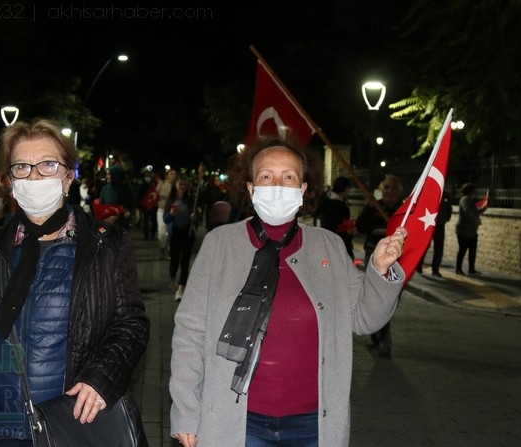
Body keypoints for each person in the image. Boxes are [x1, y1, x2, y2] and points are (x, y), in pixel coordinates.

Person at [0, 119, 149, 446]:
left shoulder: (104, 245)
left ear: (69, 177)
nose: (35, 175)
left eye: (48, 165)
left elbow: (131, 324)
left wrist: (103, 378)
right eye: (22, 167)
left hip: (65, 426)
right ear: (11, 180)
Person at [169, 136, 407, 447]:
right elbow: (190, 332)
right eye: (266, 177)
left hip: (313, 425)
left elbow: (364, 319)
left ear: (303, 189)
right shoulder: (220, 245)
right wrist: (187, 412)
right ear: (252, 188)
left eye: (289, 177)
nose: (278, 185)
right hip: (236, 422)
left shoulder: (329, 246)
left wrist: (380, 270)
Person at [356, 174, 404, 359]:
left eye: (393, 188)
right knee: (375, 296)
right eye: (386, 188)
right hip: (373, 258)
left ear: (400, 191)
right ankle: (380, 338)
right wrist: (369, 208)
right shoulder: (375, 206)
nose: (389, 191)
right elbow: (361, 226)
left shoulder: (404, 210)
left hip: (397, 261)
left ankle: (381, 336)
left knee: (387, 301)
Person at [163, 175, 198, 301]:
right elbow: (165, 220)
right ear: (176, 185)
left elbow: (196, 217)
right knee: (175, 261)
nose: (182, 186)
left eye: (184, 184)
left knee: (185, 261)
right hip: (175, 233)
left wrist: (194, 217)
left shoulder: (190, 200)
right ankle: (173, 276)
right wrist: (171, 214)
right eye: (180, 184)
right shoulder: (171, 199)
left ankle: (181, 288)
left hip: (187, 233)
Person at [416, 190, 453, 277]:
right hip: (428, 224)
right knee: (424, 246)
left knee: (439, 248)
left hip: (439, 224)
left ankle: (435, 269)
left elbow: (449, 208)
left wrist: (445, 219)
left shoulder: (445, 194)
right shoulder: (430, 190)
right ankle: (419, 265)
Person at [319, 176, 356, 259]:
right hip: (339, 241)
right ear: (346, 188)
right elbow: (334, 224)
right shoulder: (337, 204)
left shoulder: (327, 200)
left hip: (330, 241)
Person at [455, 183, 486, 276]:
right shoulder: (465, 200)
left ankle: (471, 269)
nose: (475, 194)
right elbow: (469, 212)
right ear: (471, 192)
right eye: (474, 192)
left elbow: (472, 211)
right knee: (463, 250)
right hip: (464, 231)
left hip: (470, 231)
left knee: (472, 251)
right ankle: (458, 269)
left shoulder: (468, 200)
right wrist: (478, 213)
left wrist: (481, 210)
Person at [99, 164, 136, 229]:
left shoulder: (127, 190)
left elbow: (132, 207)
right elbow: (101, 207)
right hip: (107, 225)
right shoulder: (105, 189)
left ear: (116, 175)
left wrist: (128, 213)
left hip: (122, 226)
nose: (107, 176)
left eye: (109, 174)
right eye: (107, 174)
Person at [156, 168, 177, 259]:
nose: (173, 175)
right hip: (161, 211)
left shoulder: (177, 185)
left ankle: (170, 252)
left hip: (172, 212)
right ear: (167, 175)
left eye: (175, 174)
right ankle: (162, 248)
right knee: (162, 233)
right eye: (171, 173)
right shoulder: (161, 184)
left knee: (171, 233)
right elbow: (155, 195)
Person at [137, 170, 159, 240]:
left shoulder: (154, 184)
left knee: (154, 221)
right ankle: (146, 235)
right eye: (147, 176)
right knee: (145, 222)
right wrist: (138, 207)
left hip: (153, 206)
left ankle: (152, 234)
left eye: (149, 176)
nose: (148, 177)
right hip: (144, 206)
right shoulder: (142, 185)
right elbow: (138, 196)